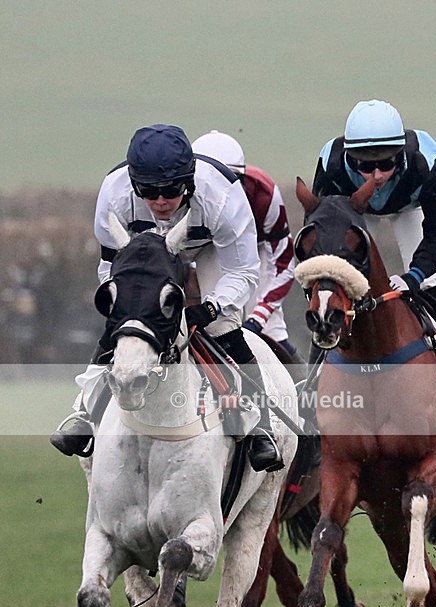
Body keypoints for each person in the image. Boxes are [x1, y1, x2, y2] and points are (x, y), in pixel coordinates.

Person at [50, 123, 284, 472]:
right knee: (126, 324)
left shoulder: (221, 197)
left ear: (189, 181)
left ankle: (259, 427)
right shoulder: (114, 196)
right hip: (143, 255)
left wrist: (209, 308)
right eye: (147, 191)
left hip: (209, 251)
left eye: (171, 190)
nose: (159, 201)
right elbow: (110, 267)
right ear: (133, 184)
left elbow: (244, 272)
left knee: (223, 325)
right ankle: (84, 414)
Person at [312, 98, 436, 415]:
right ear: (348, 156)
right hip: (354, 209)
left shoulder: (428, 163)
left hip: (411, 210)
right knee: (332, 290)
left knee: (431, 287)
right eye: (366, 165)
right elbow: (324, 229)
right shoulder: (330, 166)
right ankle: (311, 378)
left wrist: (413, 276)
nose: (377, 175)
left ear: (401, 154)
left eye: (386, 163)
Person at [191, 130, 298, 356]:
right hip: (203, 250)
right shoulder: (180, 197)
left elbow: (283, 264)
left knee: (272, 330)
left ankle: (299, 383)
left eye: (228, 180)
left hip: (253, 253)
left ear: (242, 178)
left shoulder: (265, 194)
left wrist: (257, 320)